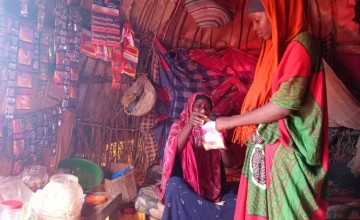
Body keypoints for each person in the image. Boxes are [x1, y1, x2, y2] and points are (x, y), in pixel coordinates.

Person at [215, 0, 329, 219]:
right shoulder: (277, 51)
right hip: (270, 154)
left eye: (258, 20)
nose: (255, 28)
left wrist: (229, 122)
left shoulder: (302, 45)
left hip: (290, 154)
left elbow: (282, 106)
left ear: (277, 12)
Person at [158, 92, 237, 220]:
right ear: (190, 107)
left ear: (211, 110)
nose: (202, 110)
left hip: (211, 189)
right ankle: (208, 211)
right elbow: (174, 150)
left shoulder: (213, 130)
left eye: (207, 107)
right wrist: (190, 124)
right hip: (187, 186)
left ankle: (203, 209)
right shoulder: (179, 126)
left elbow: (230, 163)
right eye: (198, 106)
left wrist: (221, 146)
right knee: (173, 184)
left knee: (237, 197)